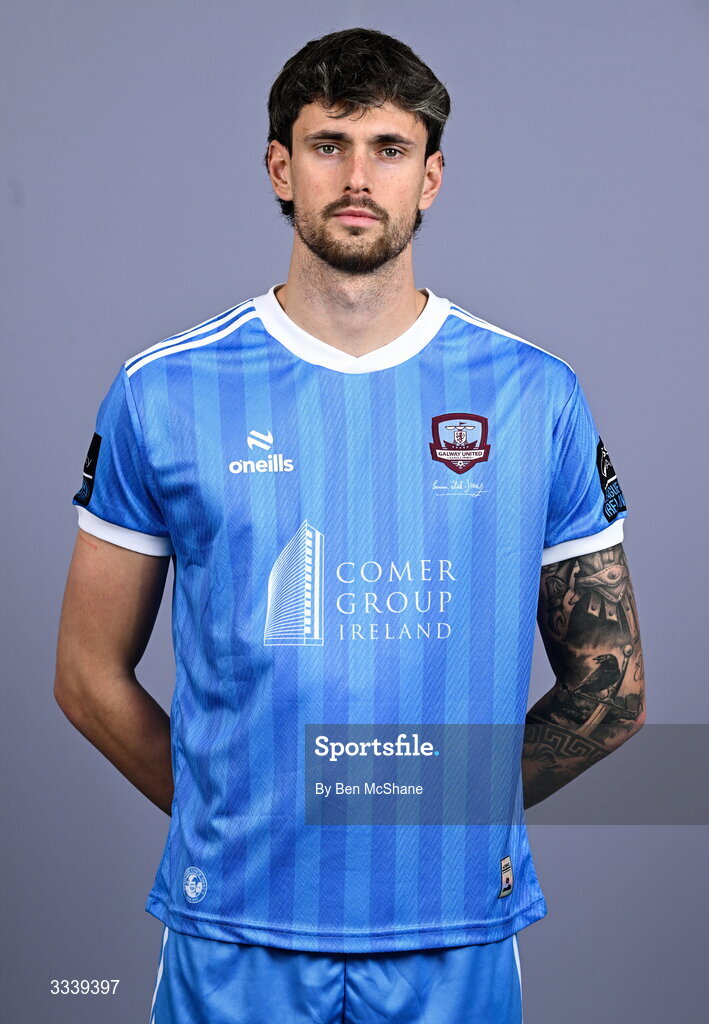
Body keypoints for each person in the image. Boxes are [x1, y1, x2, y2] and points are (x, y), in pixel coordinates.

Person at [54, 26, 646, 1024]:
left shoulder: (533, 394)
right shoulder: (164, 391)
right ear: (281, 168)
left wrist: (431, 819)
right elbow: (85, 674)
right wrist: (239, 819)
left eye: (390, 147)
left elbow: (609, 691)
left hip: (449, 935)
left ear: (433, 176)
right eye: (329, 145)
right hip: (233, 931)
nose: (359, 176)